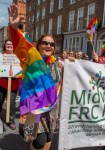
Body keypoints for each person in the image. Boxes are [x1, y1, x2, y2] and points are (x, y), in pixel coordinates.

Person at [8, 4, 61, 150]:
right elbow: (21, 46)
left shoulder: (57, 63)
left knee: (49, 136)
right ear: (38, 45)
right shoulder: (33, 58)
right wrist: (14, 28)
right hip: (35, 108)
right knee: (38, 142)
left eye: (51, 44)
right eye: (45, 43)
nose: (49, 46)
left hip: (52, 108)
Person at [0, 40, 19, 130]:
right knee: (0, 101)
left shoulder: (18, 57)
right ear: (5, 46)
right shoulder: (1, 56)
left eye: (11, 44)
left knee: (11, 103)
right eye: (7, 44)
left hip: (13, 84)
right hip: (1, 83)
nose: (9, 45)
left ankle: (11, 121)